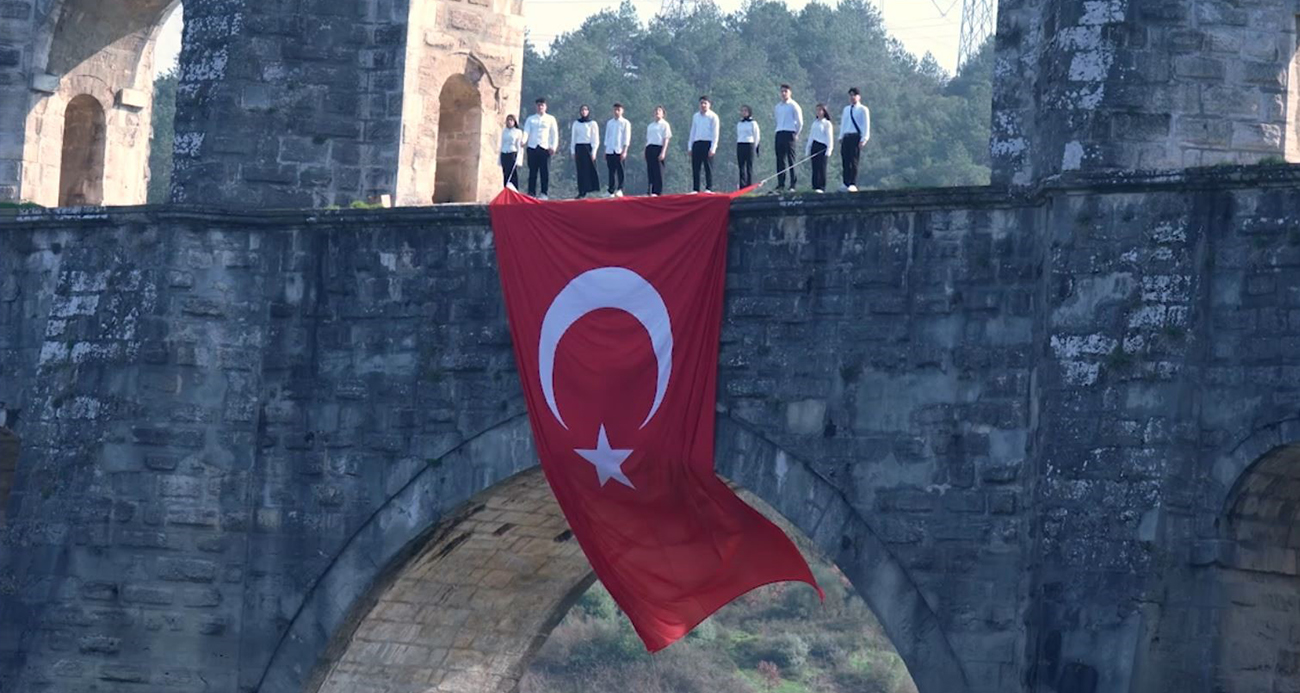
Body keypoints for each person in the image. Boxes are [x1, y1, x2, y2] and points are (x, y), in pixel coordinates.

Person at [523, 97, 559, 199]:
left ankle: (544, 193)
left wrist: (553, 146)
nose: (540, 107)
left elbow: (554, 134)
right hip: (532, 147)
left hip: (545, 147)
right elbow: (526, 131)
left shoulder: (550, 119)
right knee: (532, 171)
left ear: (545, 107)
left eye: (542, 105)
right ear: (536, 106)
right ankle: (531, 193)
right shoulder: (531, 119)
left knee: (544, 171)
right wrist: (523, 140)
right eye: (538, 105)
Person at [773, 84, 803, 192]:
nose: (783, 93)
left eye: (786, 91)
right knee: (780, 159)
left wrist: (796, 133)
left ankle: (792, 184)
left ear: (790, 92)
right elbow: (777, 119)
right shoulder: (777, 107)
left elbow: (800, 122)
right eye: (782, 91)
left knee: (791, 159)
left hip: (790, 133)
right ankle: (781, 184)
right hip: (779, 132)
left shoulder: (794, 105)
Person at [839, 87, 870, 192]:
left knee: (854, 160)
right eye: (850, 95)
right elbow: (843, 124)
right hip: (846, 136)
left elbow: (866, 125)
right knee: (845, 161)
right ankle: (846, 182)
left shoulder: (863, 109)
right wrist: (841, 136)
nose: (852, 97)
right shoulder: (846, 109)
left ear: (859, 97)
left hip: (856, 136)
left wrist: (864, 139)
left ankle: (853, 183)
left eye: (854, 95)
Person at [688, 96, 720, 193]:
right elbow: (692, 132)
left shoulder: (713, 117)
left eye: (705, 103)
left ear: (709, 104)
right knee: (696, 167)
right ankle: (695, 188)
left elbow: (715, 133)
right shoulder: (696, 116)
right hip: (697, 143)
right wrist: (690, 146)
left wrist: (713, 147)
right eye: (701, 103)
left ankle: (708, 188)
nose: (703, 105)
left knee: (708, 167)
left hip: (708, 143)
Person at [571, 104, 601, 198]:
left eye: (585, 110)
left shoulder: (592, 123)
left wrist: (594, 151)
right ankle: (581, 191)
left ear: (588, 111)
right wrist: (573, 151)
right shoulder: (576, 123)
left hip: (588, 147)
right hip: (579, 147)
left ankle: (591, 189)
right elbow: (573, 138)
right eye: (582, 110)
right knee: (580, 170)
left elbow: (595, 139)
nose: (584, 112)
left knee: (589, 169)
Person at [604, 103, 633, 198]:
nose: (616, 112)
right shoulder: (610, 123)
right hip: (610, 149)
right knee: (611, 171)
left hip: (619, 149)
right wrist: (605, 150)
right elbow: (607, 137)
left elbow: (626, 138)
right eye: (615, 110)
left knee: (620, 170)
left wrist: (625, 151)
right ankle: (611, 190)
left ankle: (620, 189)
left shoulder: (625, 123)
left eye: (618, 110)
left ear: (622, 111)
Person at [805, 103, 834, 193]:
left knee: (821, 167)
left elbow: (829, 137)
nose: (818, 112)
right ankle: (815, 186)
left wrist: (829, 149)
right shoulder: (815, 123)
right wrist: (808, 149)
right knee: (815, 167)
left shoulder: (827, 123)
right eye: (817, 110)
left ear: (824, 111)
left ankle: (821, 187)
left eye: (820, 110)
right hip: (815, 145)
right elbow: (811, 136)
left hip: (822, 146)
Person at [644, 106, 672, 196]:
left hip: (659, 148)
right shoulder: (650, 126)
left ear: (663, 114)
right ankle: (650, 190)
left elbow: (666, 139)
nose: (657, 112)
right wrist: (645, 150)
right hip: (650, 148)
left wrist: (663, 152)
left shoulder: (665, 125)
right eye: (655, 110)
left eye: (659, 111)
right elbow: (648, 139)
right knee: (650, 170)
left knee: (658, 171)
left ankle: (657, 191)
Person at [499, 114, 526, 190]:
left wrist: (519, 159)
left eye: (511, 120)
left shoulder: (518, 132)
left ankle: (514, 190)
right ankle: (506, 189)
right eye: (508, 120)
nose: (509, 122)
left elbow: (519, 146)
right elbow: (501, 144)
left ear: (514, 122)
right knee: (505, 173)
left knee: (512, 173)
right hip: (504, 153)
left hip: (512, 153)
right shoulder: (504, 131)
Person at [736, 105, 760, 189]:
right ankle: (742, 185)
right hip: (740, 144)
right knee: (741, 166)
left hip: (749, 144)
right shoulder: (739, 123)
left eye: (745, 111)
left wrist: (755, 147)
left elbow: (756, 136)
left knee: (749, 166)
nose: (743, 112)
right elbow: (739, 135)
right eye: (742, 111)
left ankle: (749, 185)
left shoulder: (753, 123)